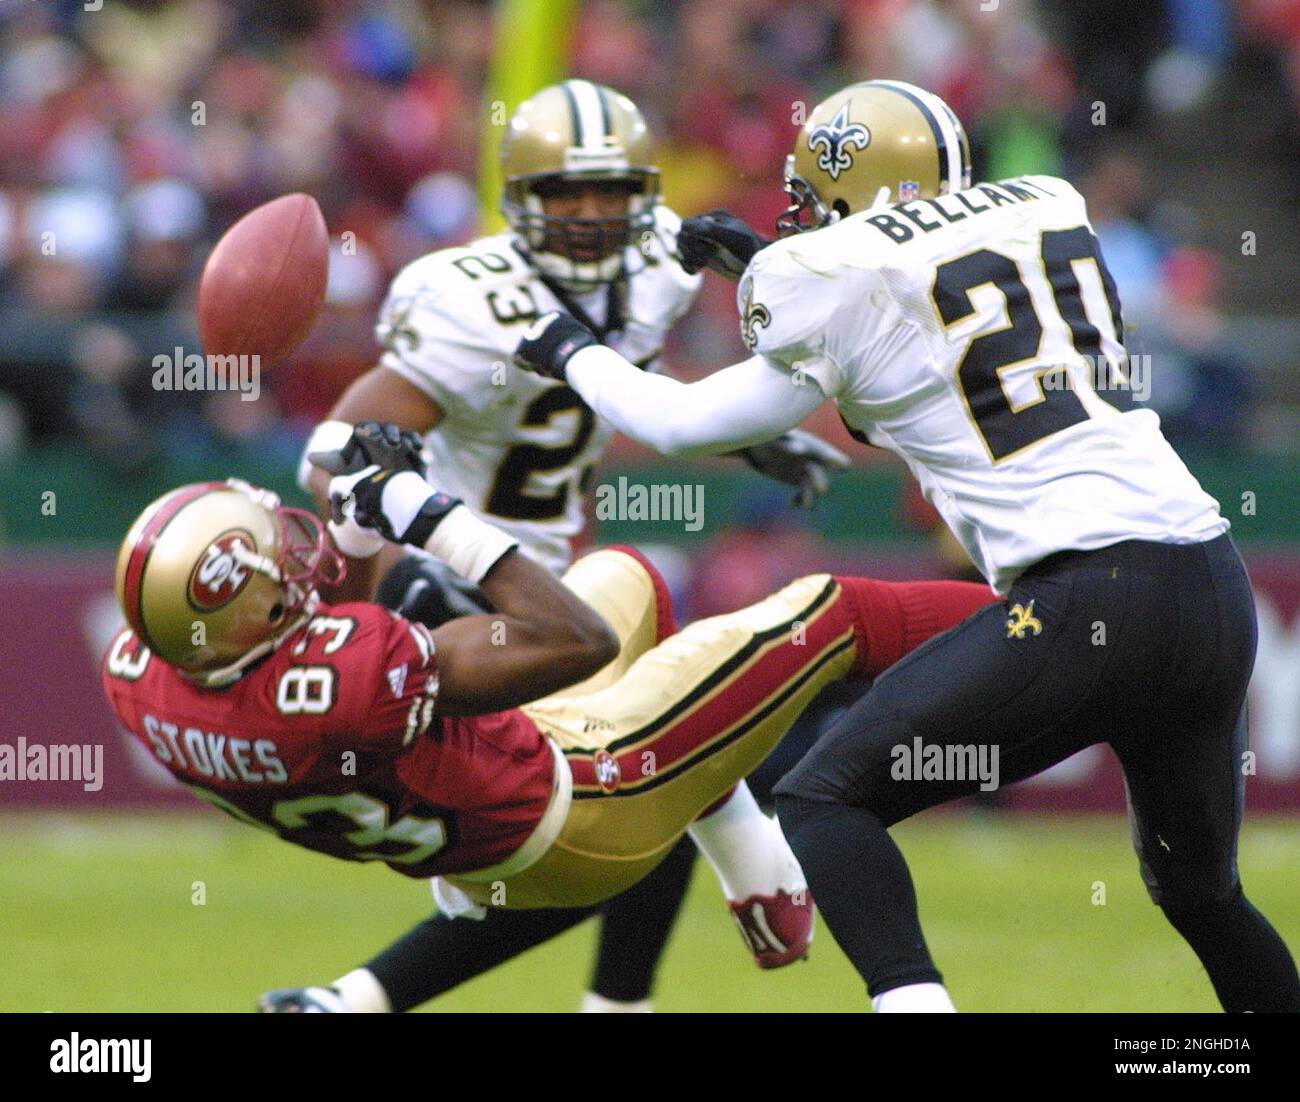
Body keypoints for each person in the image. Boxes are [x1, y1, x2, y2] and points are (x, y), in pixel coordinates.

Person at [511, 79, 1300, 1012]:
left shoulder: (832, 274)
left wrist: (568, 349)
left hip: (1093, 592)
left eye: (815, 201)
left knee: (821, 800)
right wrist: (763, 263)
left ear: (864, 191)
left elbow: (684, 422)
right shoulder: (1045, 205)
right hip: (1209, 588)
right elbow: (913, 369)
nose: (802, 222)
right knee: (1205, 896)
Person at [293, 78, 847, 1013]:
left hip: (553, 592)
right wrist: (407, 541)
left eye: (608, 192)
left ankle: (377, 1003)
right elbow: (330, 458)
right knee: (656, 760)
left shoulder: (659, 271)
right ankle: (734, 871)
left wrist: (746, 432)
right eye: (563, 193)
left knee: (638, 797)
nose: (589, 216)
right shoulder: (468, 298)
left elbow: (617, 379)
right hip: (450, 591)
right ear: (520, 199)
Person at [101, 451, 995, 1010]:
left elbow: (300, 631)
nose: (293, 552)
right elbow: (573, 638)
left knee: (625, 571)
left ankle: (752, 870)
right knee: (829, 612)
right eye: (272, 556)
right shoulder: (348, 682)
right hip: (594, 802)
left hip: (483, 849)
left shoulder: (145, 681)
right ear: (245, 606)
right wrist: (427, 516)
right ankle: (1042, 618)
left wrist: (352, 508)